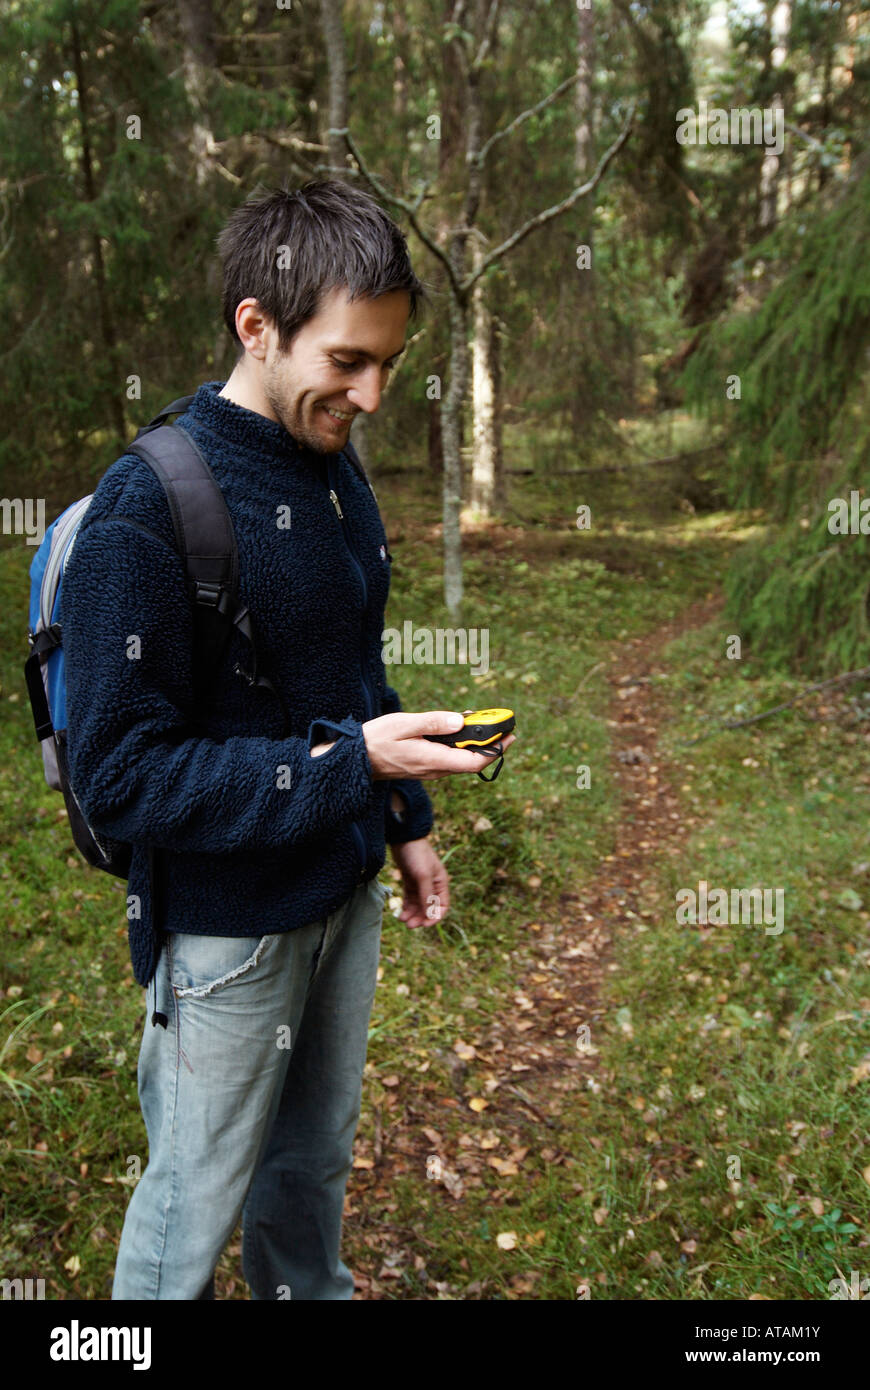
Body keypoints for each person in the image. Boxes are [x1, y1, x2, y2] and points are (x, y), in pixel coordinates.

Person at [60, 178, 514, 1300]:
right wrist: (350, 766)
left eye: (388, 363)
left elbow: (351, 667)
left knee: (308, 1169)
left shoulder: (330, 467)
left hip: (338, 895)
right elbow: (119, 774)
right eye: (347, 361)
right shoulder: (148, 506)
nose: (370, 394)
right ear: (255, 325)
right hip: (226, 941)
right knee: (192, 1201)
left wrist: (404, 820)